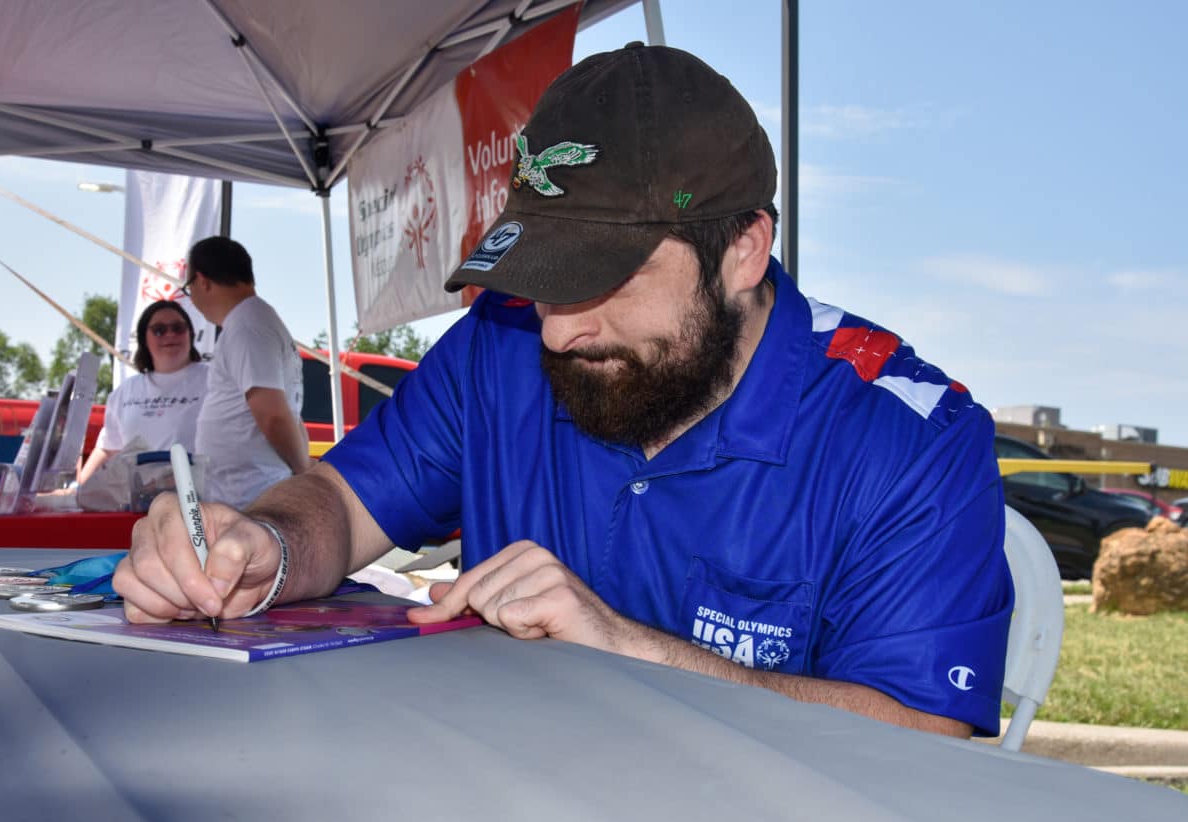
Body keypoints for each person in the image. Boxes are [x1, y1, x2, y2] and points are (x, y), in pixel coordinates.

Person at [115, 45, 1013, 739]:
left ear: (743, 247)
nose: (554, 329)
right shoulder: (497, 348)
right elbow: (342, 506)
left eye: (602, 278)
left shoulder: (908, 439)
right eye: (544, 275)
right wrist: (264, 544)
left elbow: (923, 734)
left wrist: (634, 651)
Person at [183, 236, 310, 507]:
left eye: (188, 287)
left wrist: (304, 475)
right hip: (250, 493)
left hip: (251, 495)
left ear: (202, 281)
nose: (191, 296)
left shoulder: (247, 326)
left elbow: (273, 414)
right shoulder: (253, 320)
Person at [77, 299, 207, 485]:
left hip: (197, 499)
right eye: (159, 330)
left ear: (190, 333)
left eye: (178, 328)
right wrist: (78, 489)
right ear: (143, 339)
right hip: (136, 501)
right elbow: (108, 448)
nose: (170, 335)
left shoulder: (216, 381)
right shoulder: (124, 392)